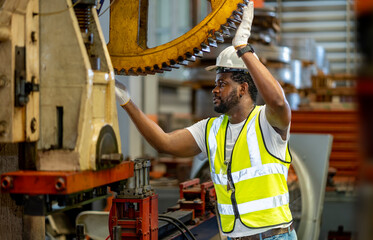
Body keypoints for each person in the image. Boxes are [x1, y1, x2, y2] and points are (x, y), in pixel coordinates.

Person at [115, 2, 296, 239]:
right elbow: (164, 143)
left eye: (222, 83)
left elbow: (280, 103)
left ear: (243, 88)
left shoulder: (267, 122)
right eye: (215, 84)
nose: (215, 89)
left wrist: (243, 48)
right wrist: (127, 101)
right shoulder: (211, 129)